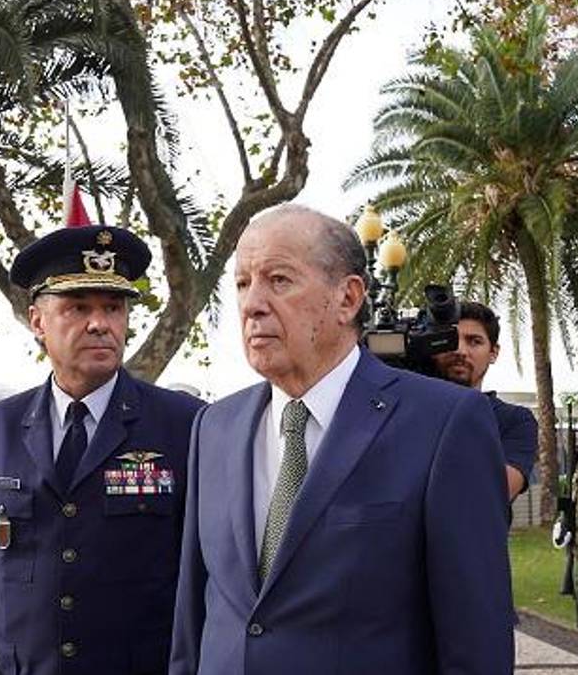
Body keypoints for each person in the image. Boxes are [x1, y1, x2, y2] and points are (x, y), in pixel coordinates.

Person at [170, 205, 513, 674]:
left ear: (348, 298)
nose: (252, 304)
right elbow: (194, 619)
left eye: (280, 280)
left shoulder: (444, 424)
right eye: (243, 283)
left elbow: (477, 644)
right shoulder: (214, 427)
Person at [0, 224, 205, 675]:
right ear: (38, 321)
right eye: (78, 307)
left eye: (114, 307)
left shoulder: (186, 425)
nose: (100, 323)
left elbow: (205, 581)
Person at [430, 301, 537, 501]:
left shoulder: (514, 420)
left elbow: (493, 494)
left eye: (474, 341)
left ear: (493, 352)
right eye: (450, 339)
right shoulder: (405, 407)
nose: (460, 350)